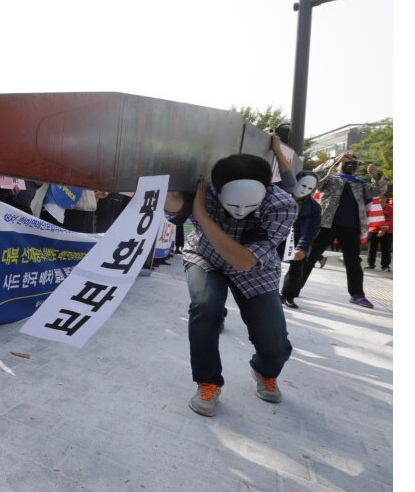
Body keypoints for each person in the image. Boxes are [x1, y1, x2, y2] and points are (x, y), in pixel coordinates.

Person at [164, 154, 296, 417]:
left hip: (254, 267)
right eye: (232, 203)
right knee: (205, 308)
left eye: (249, 204)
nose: (239, 211)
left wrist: (202, 216)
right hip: (206, 256)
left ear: (267, 190)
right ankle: (208, 382)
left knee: (275, 344)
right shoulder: (207, 191)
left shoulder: (283, 205)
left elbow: (243, 261)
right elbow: (174, 203)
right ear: (218, 189)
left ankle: (264, 370)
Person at [299, 153, 388, 308]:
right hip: (326, 224)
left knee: (353, 261)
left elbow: (377, 191)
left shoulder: (360, 184)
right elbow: (315, 177)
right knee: (309, 256)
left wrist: (376, 175)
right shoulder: (330, 179)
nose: (350, 165)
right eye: (347, 162)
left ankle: (357, 295)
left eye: (354, 163)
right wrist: (333, 161)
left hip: (351, 227)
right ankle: (292, 289)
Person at [279, 172, 322, 308]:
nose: (304, 190)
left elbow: (311, 230)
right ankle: (268, 292)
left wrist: (302, 247)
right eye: (302, 184)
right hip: (278, 234)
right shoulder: (280, 196)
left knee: (298, 265)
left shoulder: (314, 207)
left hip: (297, 237)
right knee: (271, 263)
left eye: (309, 188)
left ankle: (289, 295)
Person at [366, 197, 393, 271]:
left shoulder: (391, 208)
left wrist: (384, 230)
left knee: (386, 249)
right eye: (379, 198)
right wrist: (380, 227)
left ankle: (385, 266)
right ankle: (370, 263)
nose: (381, 199)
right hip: (374, 230)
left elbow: (391, 220)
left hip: (387, 231)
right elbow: (370, 218)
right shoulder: (373, 207)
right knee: (371, 248)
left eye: (383, 198)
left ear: (385, 199)